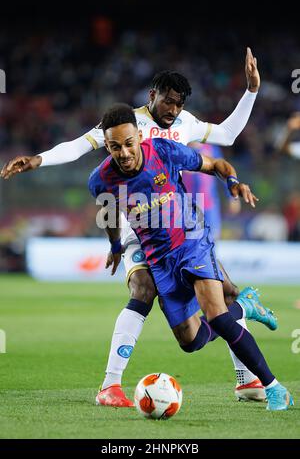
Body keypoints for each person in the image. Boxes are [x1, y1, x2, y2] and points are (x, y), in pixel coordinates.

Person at [1, 48, 265, 406]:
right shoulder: (126, 123)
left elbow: (227, 136)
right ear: (152, 96)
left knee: (226, 298)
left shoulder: (185, 123)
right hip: (137, 227)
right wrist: (37, 160)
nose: (173, 110)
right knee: (142, 288)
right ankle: (110, 385)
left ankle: (247, 380)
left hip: (182, 228)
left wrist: (250, 91)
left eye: (179, 103)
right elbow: (78, 147)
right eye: (168, 101)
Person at [88, 103, 293, 411]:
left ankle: (274, 387)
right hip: (160, 260)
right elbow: (109, 210)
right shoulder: (100, 179)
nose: (124, 153)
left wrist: (233, 183)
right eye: (115, 147)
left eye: (129, 144)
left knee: (217, 316)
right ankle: (245, 306)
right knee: (191, 341)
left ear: (138, 136)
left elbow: (215, 166)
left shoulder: (163, 151)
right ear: (107, 145)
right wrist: (116, 246)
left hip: (192, 240)